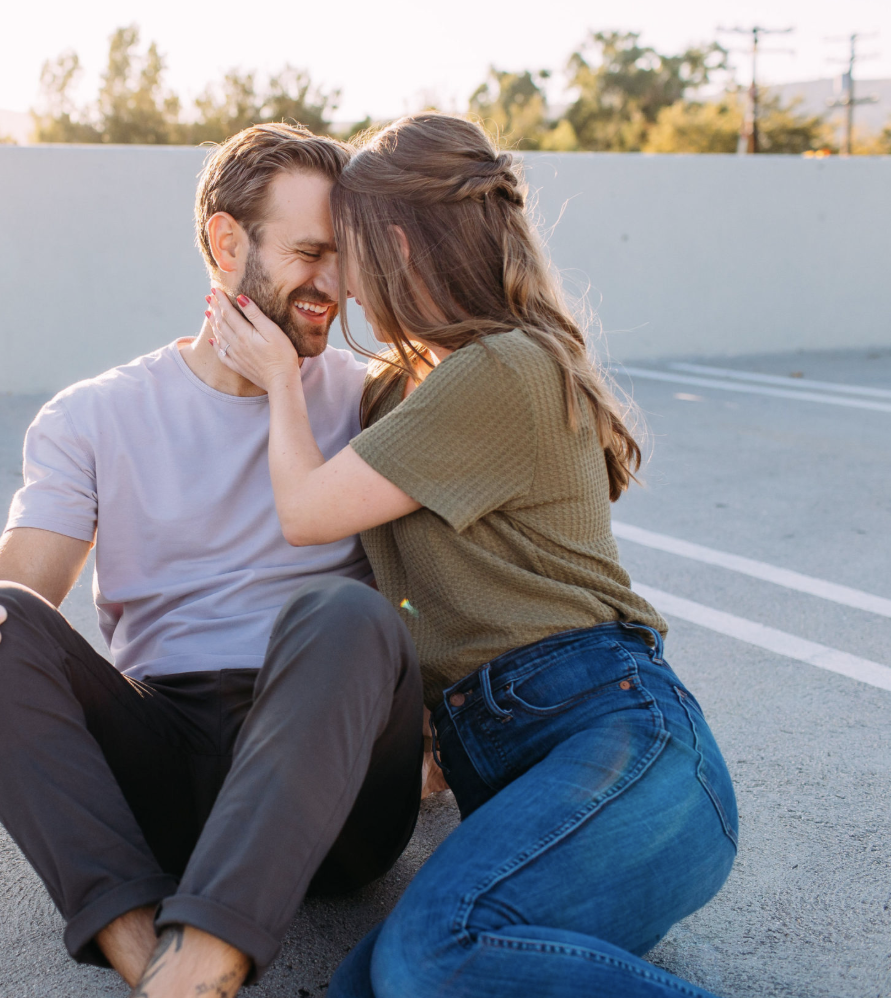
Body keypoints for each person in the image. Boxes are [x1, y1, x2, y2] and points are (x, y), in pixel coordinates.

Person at [0, 123, 424, 998]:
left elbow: (436, 585)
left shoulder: (374, 398)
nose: (334, 284)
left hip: (338, 783)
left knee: (345, 611)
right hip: (171, 763)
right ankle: (156, 965)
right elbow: (21, 587)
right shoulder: (94, 415)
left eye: (344, 257)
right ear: (227, 243)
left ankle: (195, 962)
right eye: (310, 253)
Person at [206, 111, 739, 998]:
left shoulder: (504, 367)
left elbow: (305, 512)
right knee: (370, 985)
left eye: (349, 252)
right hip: (527, 768)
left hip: (626, 746)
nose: (341, 285)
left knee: (429, 959)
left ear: (400, 248)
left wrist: (278, 381)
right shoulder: (400, 396)